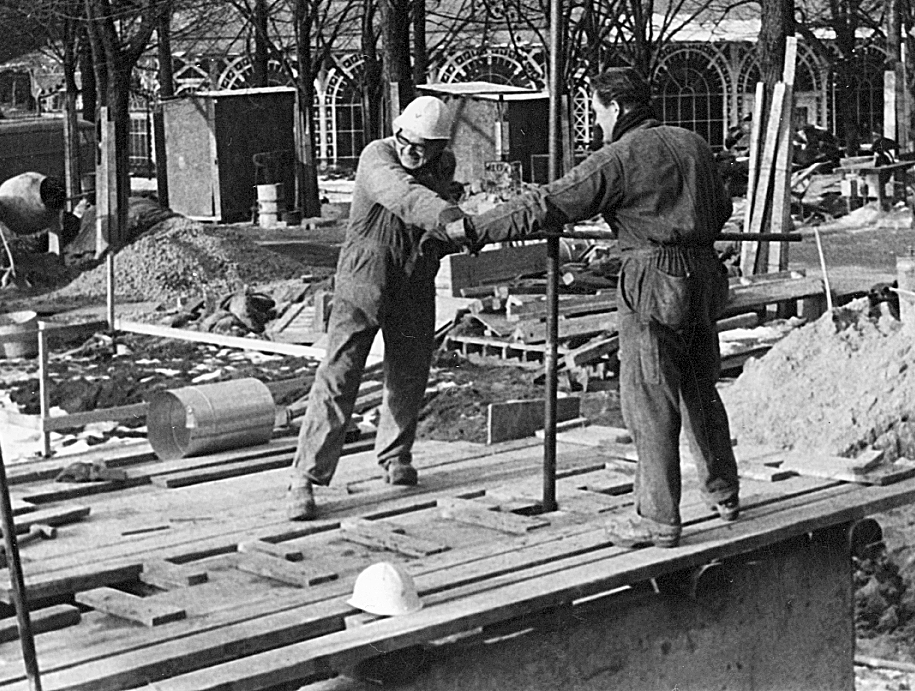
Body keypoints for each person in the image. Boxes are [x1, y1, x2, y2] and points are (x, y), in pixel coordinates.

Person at [445, 67, 739, 549]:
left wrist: (473, 230)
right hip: (706, 274)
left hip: (653, 278)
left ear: (617, 108)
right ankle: (723, 493)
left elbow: (550, 203)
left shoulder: (620, 157)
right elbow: (722, 207)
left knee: (649, 398)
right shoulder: (694, 144)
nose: (596, 122)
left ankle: (658, 518)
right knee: (699, 390)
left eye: (597, 111)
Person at [286, 95, 465, 521]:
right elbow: (403, 196)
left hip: (415, 279)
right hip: (364, 282)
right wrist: (452, 217)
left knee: (409, 370)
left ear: (439, 147)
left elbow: (434, 218)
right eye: (406, 140)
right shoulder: (377, 156)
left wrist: (461, 232)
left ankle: (395, 455)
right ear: (397, 130)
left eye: (422, 146)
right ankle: (304, 479)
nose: (410, 151)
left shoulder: (443, 166)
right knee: (340, 375)